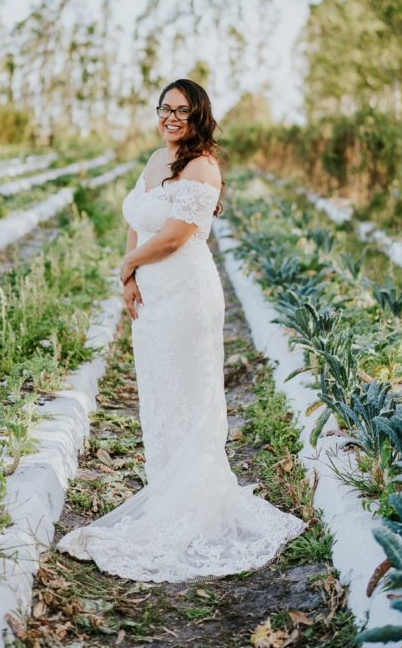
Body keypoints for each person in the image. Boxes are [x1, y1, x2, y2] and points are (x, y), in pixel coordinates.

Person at [58, 79, 306, 581]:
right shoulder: (155, 159)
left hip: (187, 297)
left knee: (190, 400)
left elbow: (172, 238)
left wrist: (129, 263)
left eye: (182, 111)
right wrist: (129, 275)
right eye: (165, 108)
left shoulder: (202, 166)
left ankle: (195, 507)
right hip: (153, 297)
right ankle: (166, 493)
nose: (171, 118)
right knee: (159, 395)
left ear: (199, 116)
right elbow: (138, 219)